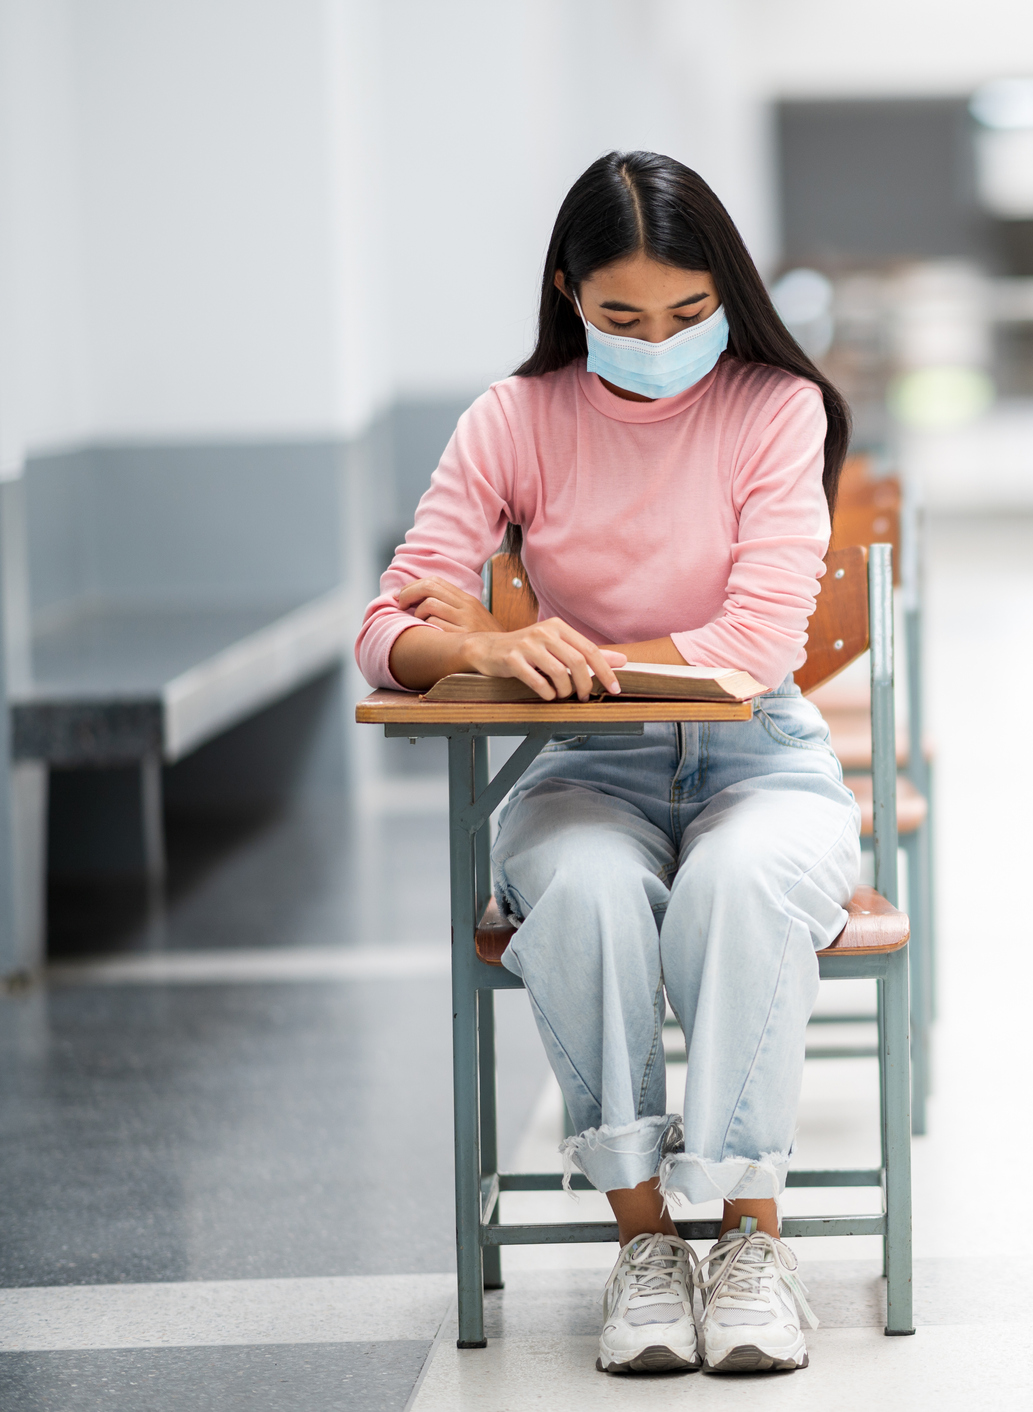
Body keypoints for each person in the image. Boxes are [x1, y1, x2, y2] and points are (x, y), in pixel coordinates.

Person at [356, 150, 858, 1375]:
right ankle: (643, 1240)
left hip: (762, 760)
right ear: (568, 292)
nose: (660, 340)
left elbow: (752, 646)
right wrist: (465, 639)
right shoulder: (515, 418)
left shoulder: (774, 407)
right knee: (578, 891)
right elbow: (384, 631)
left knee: (740, 886)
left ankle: (749, 1237)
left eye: (689, 313)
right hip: (585, 766)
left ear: (726, 290)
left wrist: (510, 638)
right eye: (622, 316)